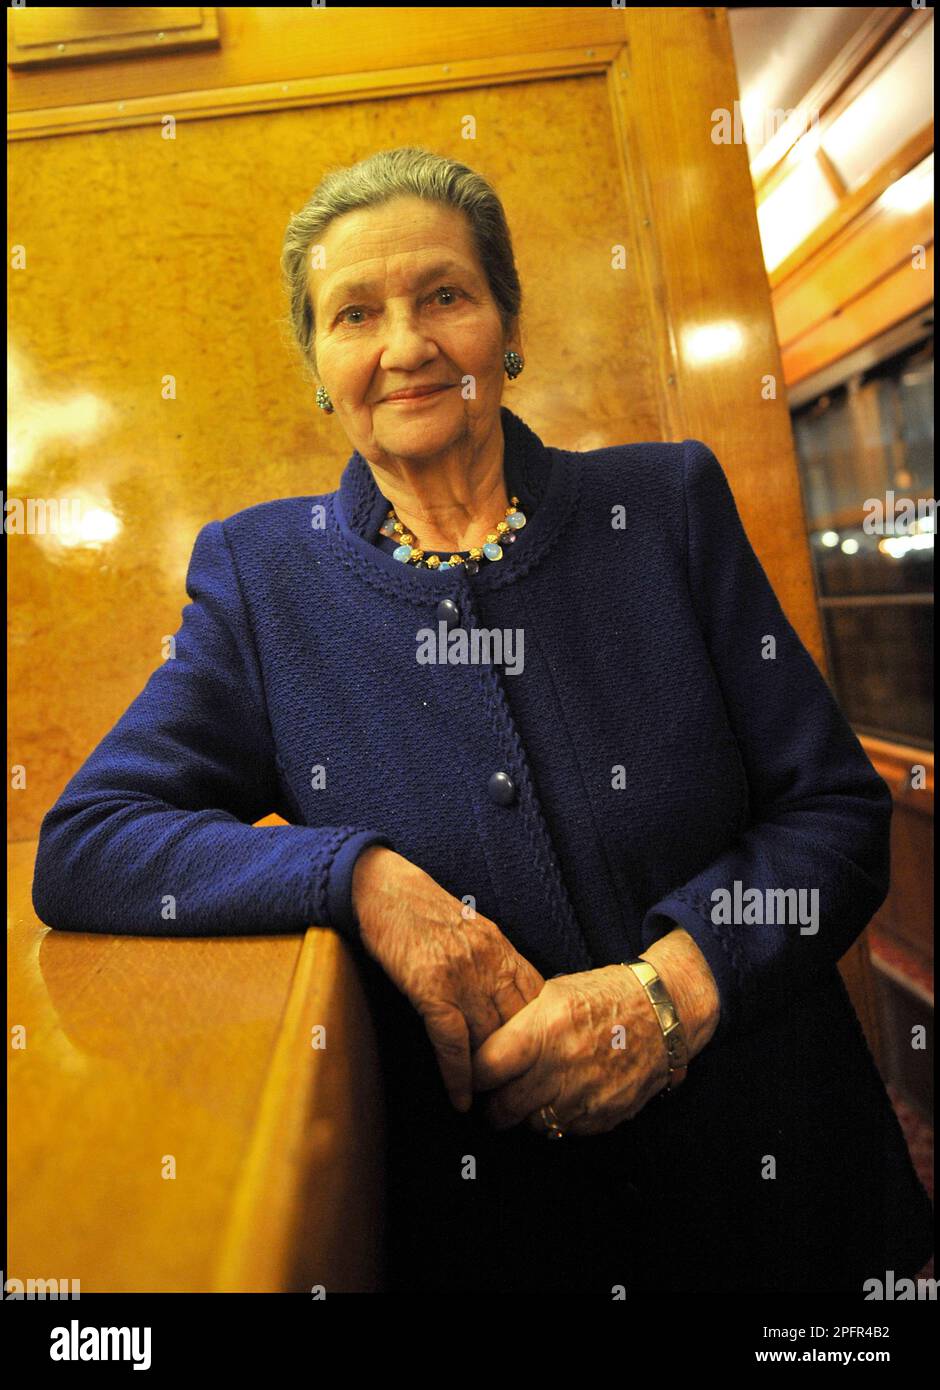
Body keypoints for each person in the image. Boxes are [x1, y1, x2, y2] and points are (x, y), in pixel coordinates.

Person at [33, 147, 933, 1293]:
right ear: (319, 366)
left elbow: (837, 813)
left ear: (506, 327)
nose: (403, 346)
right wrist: (359, 878)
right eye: (353, 314)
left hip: (778, 1201)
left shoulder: (664, 508)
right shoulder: (265, 579)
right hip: (497, 1243)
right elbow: (88, 841)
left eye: (443, 296)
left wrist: (667, 994)